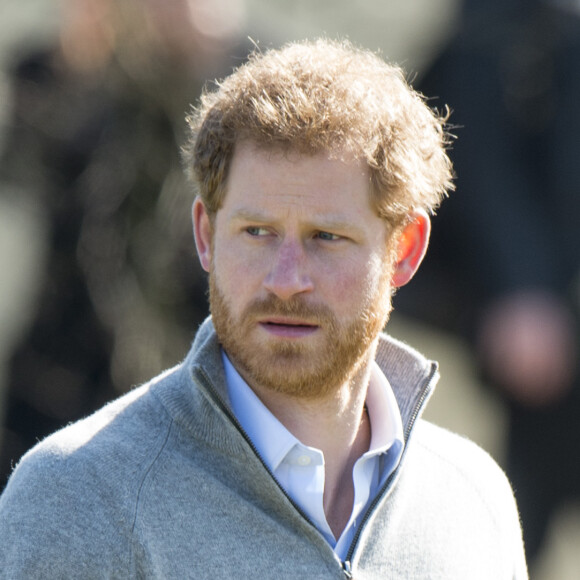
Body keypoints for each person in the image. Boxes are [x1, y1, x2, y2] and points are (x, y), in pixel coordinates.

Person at [0, 39, 528, 578]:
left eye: (326, 236)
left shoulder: (473, 498)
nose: (286, 280)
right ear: (206, 236)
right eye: (257, 232)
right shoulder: (79, 499)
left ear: (406, 249)